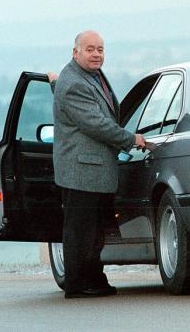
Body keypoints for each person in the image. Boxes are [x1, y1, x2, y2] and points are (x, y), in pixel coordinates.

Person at [50, 30, 147, 298]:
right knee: (81, 232)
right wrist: (131, 139)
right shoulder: (74, 83)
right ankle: (77, 285)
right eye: (90, 49)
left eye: (100, 49)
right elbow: (96, 123)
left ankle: (93, 278)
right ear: (75, 52)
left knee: (94, 231)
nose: (96, 54)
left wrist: (53, 83)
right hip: (81, 170)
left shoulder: (85, 76)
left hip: (95, 170)